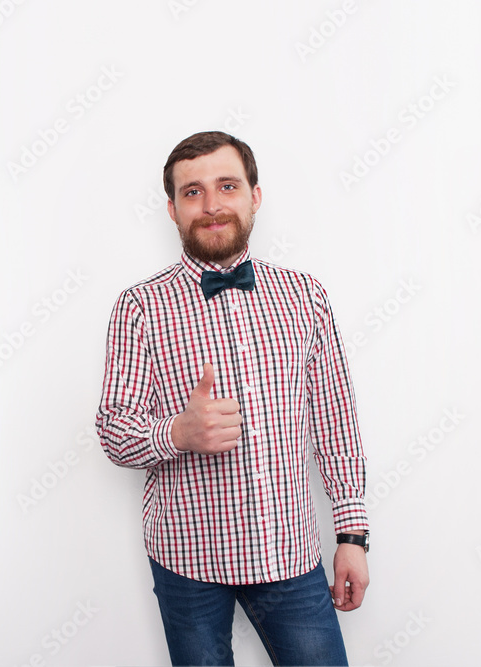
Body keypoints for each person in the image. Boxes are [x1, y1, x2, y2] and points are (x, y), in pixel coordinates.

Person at [96, 130, 369, 666]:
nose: (213, 205)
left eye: (227, 186)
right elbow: (113, 431)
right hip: (187, 558)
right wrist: (177, 432)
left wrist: (352, 534)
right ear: (172, 209)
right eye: (193, 192)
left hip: (287, 552)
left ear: (255, 196)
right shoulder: (139, 307)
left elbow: (336, 418)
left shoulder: (304, 296)